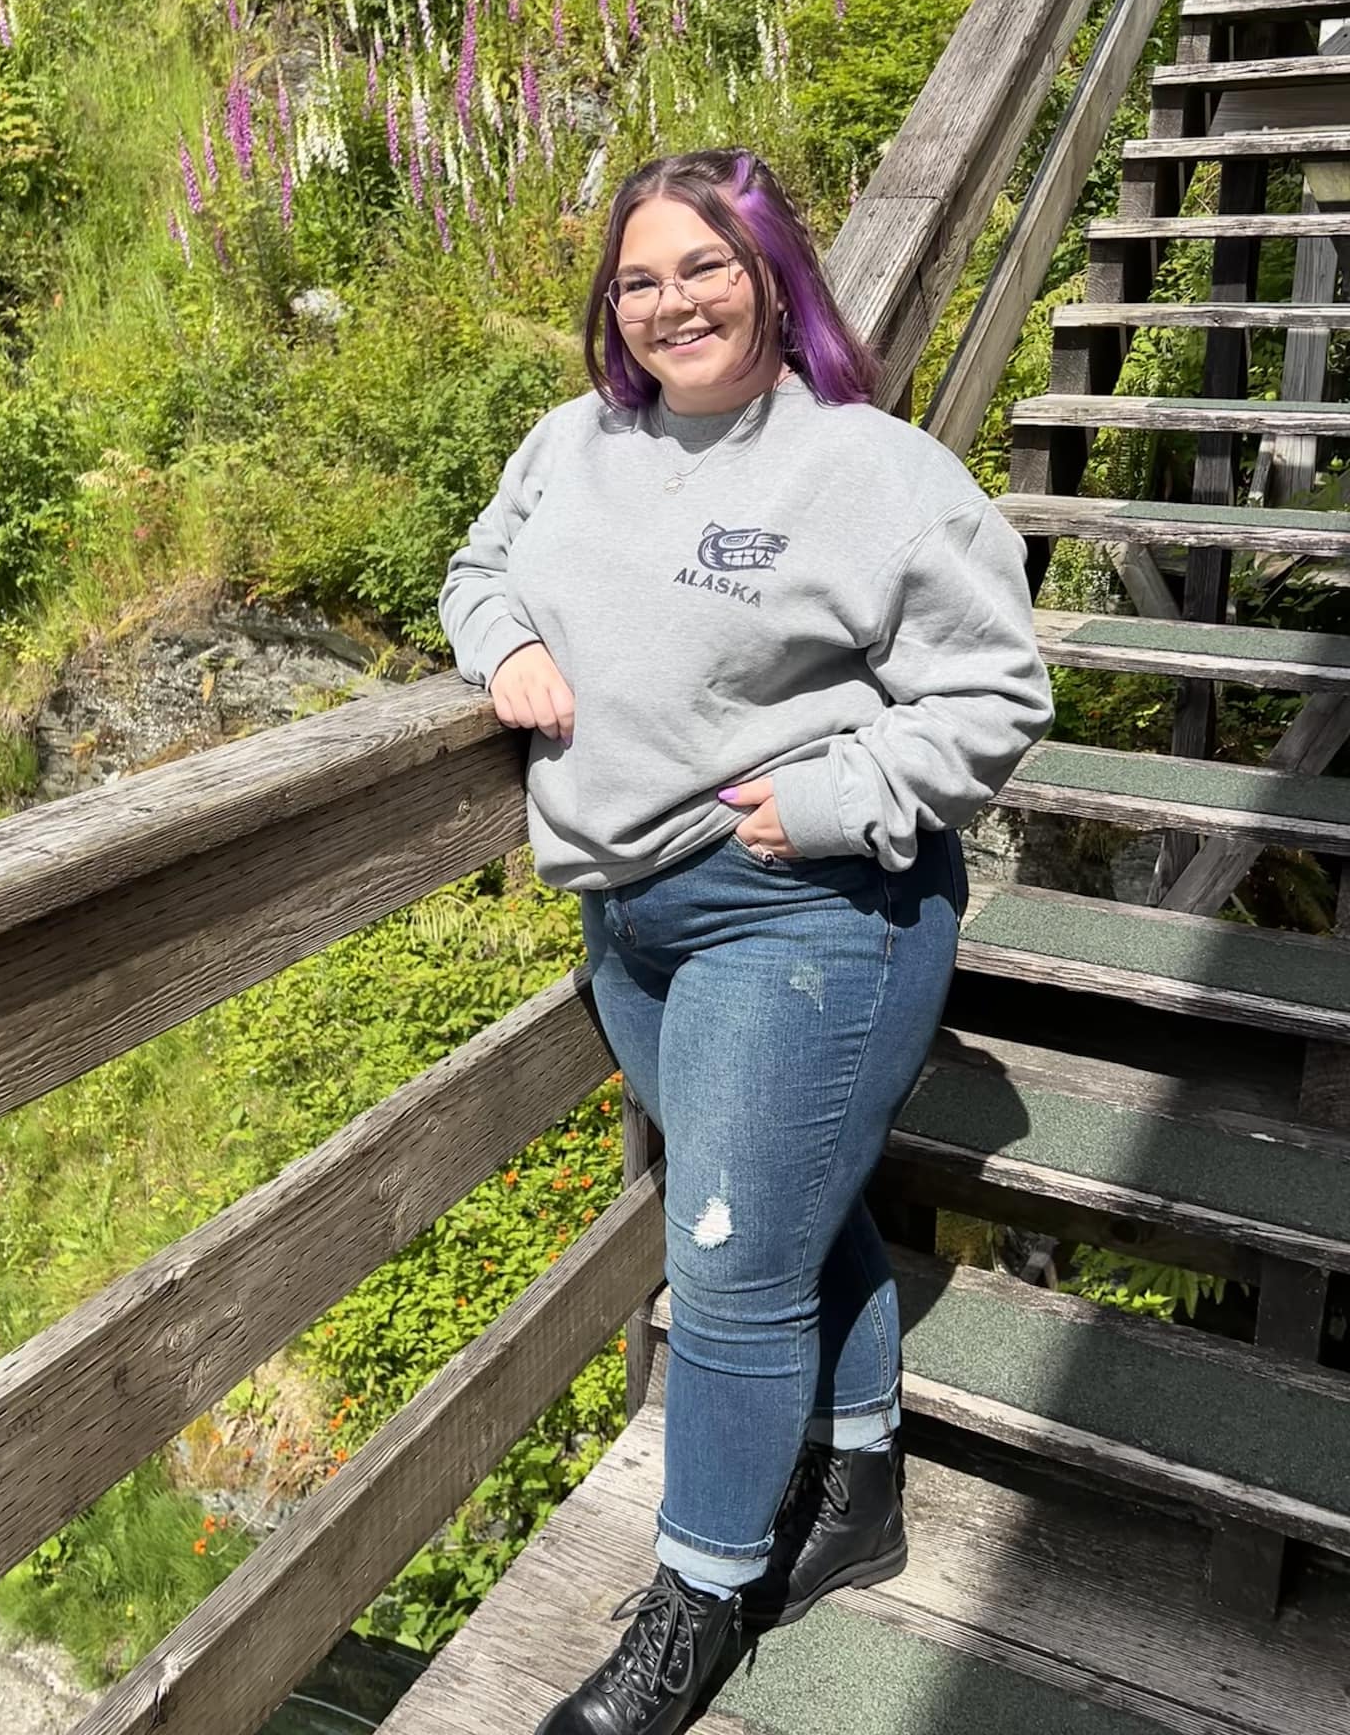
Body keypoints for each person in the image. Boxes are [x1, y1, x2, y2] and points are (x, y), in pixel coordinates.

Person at [437, 147, 1054, 1735]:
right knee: (780, 1215)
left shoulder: (875, 472)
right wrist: (502, 645)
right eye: (638, 279)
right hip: (624, 915)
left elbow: (996, 693)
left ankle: (695, 1605)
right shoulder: (574, 444)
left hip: (803, 916)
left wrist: (845, 795)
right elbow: (478, 567)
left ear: (774, 278)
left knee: (720, 1265)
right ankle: (858, 1481)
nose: (670, 304)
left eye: (704, 268)